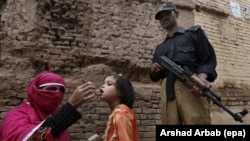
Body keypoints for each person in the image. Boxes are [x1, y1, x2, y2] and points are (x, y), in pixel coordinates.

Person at [150, 1, 217, 125]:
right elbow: (154, 77)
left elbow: (207, 59)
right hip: (167, 90)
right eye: (160, 16)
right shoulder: (160, 48)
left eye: (167, 13)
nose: (164, 17)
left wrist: (200, 80)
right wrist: (154, 71)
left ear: (177, 14)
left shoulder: (194, 34)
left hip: (191, 85)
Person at [0, 71, 96, 140]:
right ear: (36, 91)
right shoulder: (17, 115)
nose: (57, 94)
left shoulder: (55, 116)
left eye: (61, 90)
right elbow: (33, 138)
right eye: (51, 89)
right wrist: (69, 108)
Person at [97, 74, 140, 141]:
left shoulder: (122, 113)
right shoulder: (117, 112)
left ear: (120, 92)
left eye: (109, 84)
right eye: (104, 83)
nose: (103, 86)